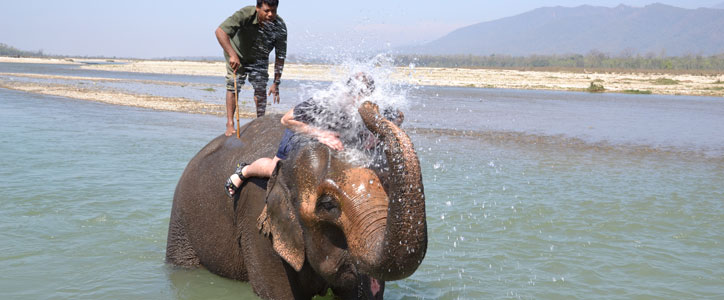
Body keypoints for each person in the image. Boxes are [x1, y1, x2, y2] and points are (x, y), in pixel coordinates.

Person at [225, 72, 399, 197]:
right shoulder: (327, 102)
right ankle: (244, 171)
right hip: (306, 131)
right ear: (348, 92)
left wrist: (375, 136)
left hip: (339, 135)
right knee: (275, 170)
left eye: (364, 96)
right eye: (356, 95)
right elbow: (286, 120)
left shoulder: (370, 104)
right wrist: (321, 135)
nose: (359, 100)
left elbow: (398, 116)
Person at [216, 0, 287, 136]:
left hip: (259, 58)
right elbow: (220, 32)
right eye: (266, 11)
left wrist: (276, 82)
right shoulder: (245, 14)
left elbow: (280, 56)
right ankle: (230, 123)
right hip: (237, 55)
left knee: (260, 87)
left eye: (274, 11)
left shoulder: (279, 26)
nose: (270, 14)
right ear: (257, 8)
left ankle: (260, 120)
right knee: (233, 85)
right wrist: (232, 54)